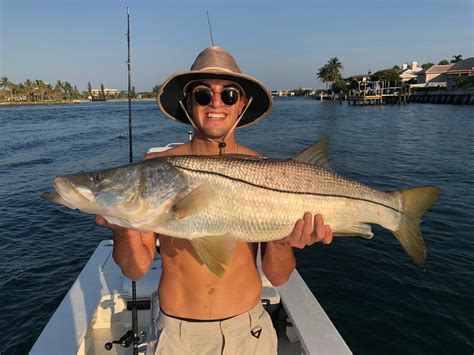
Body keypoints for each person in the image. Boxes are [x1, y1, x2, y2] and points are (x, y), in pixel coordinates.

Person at [95, 46, 333, 354]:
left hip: (248, 334)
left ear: (242, 104)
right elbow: (135, 269)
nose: (215, 103)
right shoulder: (157, 168)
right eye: (203, 94)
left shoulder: (270, 172)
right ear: (188, 102)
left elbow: (277, 275)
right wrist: (121, 224)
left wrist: (283, 239)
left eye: (229, 95)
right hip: (176, 335)